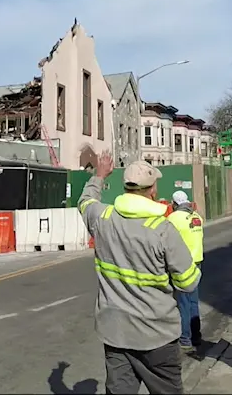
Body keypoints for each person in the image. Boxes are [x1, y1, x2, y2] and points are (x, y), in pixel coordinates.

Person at [78, 152, 201, 395]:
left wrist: (99, 175)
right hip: (158, 337)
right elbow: (188, 283)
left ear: (126, 187)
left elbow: (85, 201)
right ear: (152, 190)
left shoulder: (103, 218)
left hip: (116, 335)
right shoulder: (163, 230)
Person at [167, 190, 205, 352]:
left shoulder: (173, 219)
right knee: (193, 301)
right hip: (197, 262)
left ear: (174, 204)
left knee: (182, 302)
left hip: (182, 263)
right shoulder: (197, 217)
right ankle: (196, 335)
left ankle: (185, 338)